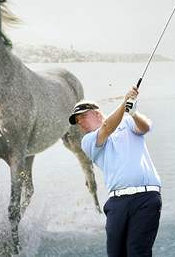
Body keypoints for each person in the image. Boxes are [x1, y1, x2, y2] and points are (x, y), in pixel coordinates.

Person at [69, 87, 162, 257]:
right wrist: (124, 102)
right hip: (117, 202)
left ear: (97, 113)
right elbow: (107, 127)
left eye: (83, 116)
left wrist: (133, 113)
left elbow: (146, 127)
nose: (80, 122)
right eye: (77, 120)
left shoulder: (127, 122)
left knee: (137, 252)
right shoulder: (88, 141)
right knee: (116, 254)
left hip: (146, 198)